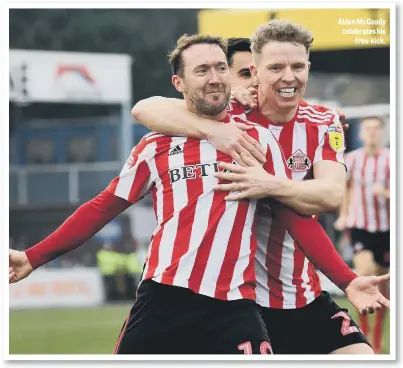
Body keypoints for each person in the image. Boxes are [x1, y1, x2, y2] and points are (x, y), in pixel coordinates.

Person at [9, 34, 388, 355]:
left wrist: (346, 279)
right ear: (179, 83)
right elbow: (102, 207)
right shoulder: (156, 145)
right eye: (201, 70)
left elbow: (295, 218)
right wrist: (33, 257)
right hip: (163, 295)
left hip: (235, 305)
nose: (214, 78)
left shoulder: (256, 140)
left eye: (221, 68)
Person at [130, 20, 389, 354]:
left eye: (297, 67)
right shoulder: (227, 115)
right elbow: (144, 108)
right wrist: (213, 131)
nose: (288, 77)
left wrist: (270, 184)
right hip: (243, 301)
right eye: (276, 67)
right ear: (256, 72)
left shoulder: (324, 121)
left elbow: (331, 196)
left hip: (303, 293)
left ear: (308, 69)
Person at [334, 116, 390, 353]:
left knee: (382, 285)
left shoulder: (391, 160)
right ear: (361, 134)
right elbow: (345, 188)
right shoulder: (352, 159)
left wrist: (387, 193)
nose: (371, 133)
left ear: (382, 133)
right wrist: (344, 214)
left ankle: (377, 337)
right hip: (359, 226)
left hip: (387, 229)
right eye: (367, 129)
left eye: (375, 129)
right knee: (365, 274)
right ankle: (365, 335)